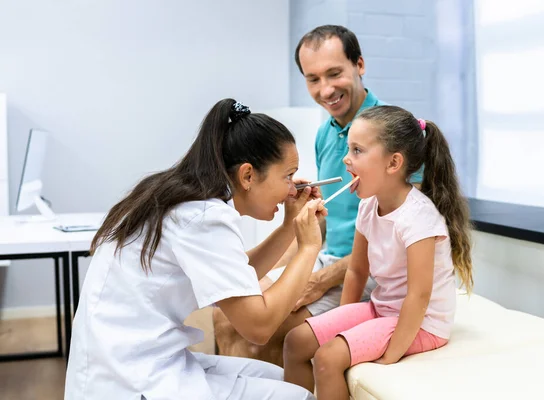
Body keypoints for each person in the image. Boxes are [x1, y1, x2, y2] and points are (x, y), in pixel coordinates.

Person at [64, 98, 326, 399]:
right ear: (248, 175)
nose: (293, 189)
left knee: (280, 379)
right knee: (299, 396)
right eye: (288, 176)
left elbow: (237, 278)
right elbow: (259, 326)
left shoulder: (182, 198)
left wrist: (287, 229)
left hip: (127, 361)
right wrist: (307, 249)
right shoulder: (204, 217)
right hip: (132, 379)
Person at [213, 24, 426, 367]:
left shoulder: (397, 132)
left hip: (376, 273)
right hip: (333, 261)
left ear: (360, 65)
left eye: (334, 73)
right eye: (313, 79)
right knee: (227, 313)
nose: (326, 89)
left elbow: (403, 240)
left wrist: (316, 280)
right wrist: (279, 267)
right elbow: (323, 226)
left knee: (266, 329)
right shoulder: (324, 134)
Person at [282, 105, 474, 399]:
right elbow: (357, 270)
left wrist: (393, 353)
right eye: (349, 149)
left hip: (423, 323)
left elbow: (419, 296)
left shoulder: (418, 218)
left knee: (328, 358)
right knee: (295, 341)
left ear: (393, 162)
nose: (346, 158)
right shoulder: (368, 206)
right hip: (383, 309)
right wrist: (345, 319)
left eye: (357, 150)